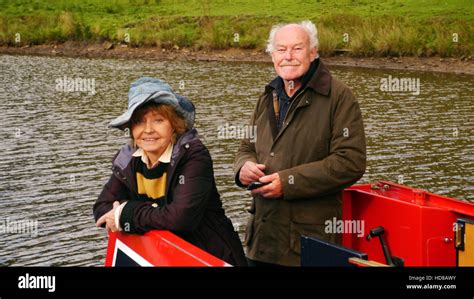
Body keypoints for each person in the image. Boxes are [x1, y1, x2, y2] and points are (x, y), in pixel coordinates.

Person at [234, 21, 366, 266]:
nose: (289, 56)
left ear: (313, 52)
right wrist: (244, 167)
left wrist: (288, 183)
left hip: (306, 247)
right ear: (272, 56)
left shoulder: (339, 97)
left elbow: (350, 161)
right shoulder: (267, 95)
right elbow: (246, 147)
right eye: (281, 49)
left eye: (297, 48)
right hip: (261, 241)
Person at [94, 77, 247, 266]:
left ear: (174, 125)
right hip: (161, 256)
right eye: (140, 122)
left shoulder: (194, 155)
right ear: (131, 128)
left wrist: (125, 214)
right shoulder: (128, 159)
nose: (148, 130)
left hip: (209, 256)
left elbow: (181, 219)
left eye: (158, 120)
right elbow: (102, 208)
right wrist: (150, 214)